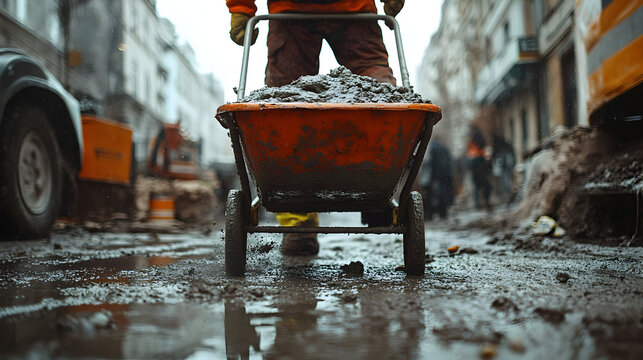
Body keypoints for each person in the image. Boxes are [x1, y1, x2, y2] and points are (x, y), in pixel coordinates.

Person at [226, 0, 404, 256]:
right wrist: (241, 7)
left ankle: (375, 194)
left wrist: (241, 8)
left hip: (338, 9)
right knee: (288, 108)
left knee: (375, 98)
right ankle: (301, 223)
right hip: (300, 11)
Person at [467, 126, 491, 209]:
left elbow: (470, 156)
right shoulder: (483, 144)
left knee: (476, 186)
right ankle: (486, 201)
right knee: (485, 184)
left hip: (475, 168)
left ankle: (477, 204)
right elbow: (487, 157)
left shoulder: (472, 144)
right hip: (482, 167)